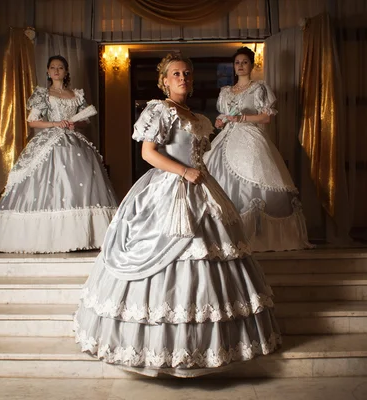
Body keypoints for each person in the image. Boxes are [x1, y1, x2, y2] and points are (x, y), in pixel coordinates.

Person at [74, 53, 281, 377]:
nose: (182, 78)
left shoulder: (196, 116)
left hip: (201, 187)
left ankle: (211, 343)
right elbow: (148, 153)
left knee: (212, 255)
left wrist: (195, 174)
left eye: (186, 73)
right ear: (165, 81)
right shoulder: (159, 109)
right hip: (170, 188)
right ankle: (160, 345)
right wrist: (184, 171)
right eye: (175, 74)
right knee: (170, 252)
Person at [0, 55, 118, 253]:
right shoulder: (43, 94)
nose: (56, 71)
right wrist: (55, 123)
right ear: (47, 71)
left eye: (60, 67)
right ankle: (46, 237)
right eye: (52, 67)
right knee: (49, 184)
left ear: (66, 71)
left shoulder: (76, 94)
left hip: (74, 143)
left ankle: (81, 236)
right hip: (51, 142)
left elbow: (86, 121)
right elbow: (32, 121)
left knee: (80, 186)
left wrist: (74, 123)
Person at [204, 46, 313, 252]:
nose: (241, 66)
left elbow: (266, 117)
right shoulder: (225, 91)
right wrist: (220, 122)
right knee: (216, 177)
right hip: (226, 138)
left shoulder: (259, 88)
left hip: (250, 139)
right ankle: (226, 236)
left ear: (252, 65)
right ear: (233, 67)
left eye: (245, 62)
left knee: (258, 181)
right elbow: (223, 116)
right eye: (237, 63)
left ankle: (258, 237)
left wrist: (241, 118)